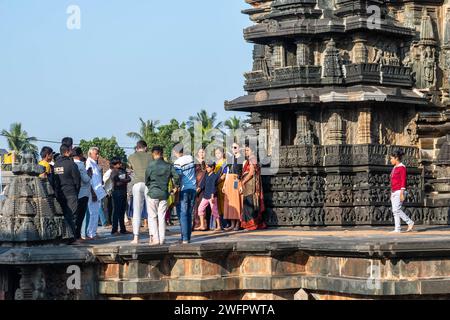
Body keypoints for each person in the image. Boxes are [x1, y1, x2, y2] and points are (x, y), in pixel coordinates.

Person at [144, 146, 179, 245]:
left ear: (153, 154)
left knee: (152, 217)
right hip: (164, 194)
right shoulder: (168, 166)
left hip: (153, 193)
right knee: (162, 217)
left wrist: (151, 187)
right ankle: (162, 239)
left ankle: (155, 239)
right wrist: (175, 187)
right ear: (162, 153)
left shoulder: (150, 165)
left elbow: (146, 180)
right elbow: (176, 177)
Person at [53, 144, 81, 241]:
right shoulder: (72, 164)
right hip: (71, 193)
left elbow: (54, 181)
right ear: (67, 151)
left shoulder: (55, 165)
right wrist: (76, 192)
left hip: (60, 194)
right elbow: (77, 181)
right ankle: (71, 238)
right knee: (72, 216)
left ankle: (63, 237)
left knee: (63, 216)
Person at [128, 141, 153, 244]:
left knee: (137, 211)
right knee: (151, 212)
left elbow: (131, 168)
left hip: (137, 184)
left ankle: (136, 238)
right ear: (145, 148)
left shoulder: (131, 157)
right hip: (148, 184)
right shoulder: (150, 157)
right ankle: (152, 237)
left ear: (137, 147)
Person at [240, 145, 267, 231]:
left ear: (253, 151)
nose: (246, 152)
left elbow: (251, 172)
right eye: (245, 150)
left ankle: (252, 225)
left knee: (250, 203)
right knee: (248, 204)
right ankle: (250, 224)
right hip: (248, 185)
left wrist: (243, 181)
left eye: (247, 150)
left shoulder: (252, 159)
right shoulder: (249, 159)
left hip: (251, 185)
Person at [174, 145, 197, 244]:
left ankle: (185, 239)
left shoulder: (177, 162)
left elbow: (177, 177)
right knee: (189, 213)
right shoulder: (191, 158)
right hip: (193, 188)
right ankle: (187, 237)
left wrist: (175, 187)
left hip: (184, 190)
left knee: (183, 214)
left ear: (175, 151)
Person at [390, 150, 414, 233]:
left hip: (399, 191)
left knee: (397, 209)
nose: (391, 160)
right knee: (395, 211)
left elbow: (403, 180)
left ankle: (409, 222)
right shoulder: (394, 167)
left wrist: (402, 193)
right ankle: (397, 228)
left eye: (392, 158)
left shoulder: (402, 167)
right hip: (394, 191)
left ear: (396, 158)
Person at [85, 147, 107, 239]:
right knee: (93, 213)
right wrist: (92, 192)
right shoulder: (89, 163)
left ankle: (93, 232)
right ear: (90, 154)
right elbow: (88, 179)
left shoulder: (94, 164)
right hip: (92, 192)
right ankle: (90, 233)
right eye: (96, 154)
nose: (97, 156)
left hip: (97, 191)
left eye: (98, 154)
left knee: (95, 213)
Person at [222, 143, 244, 231]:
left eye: (235, 147)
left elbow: (242, 173)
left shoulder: (242, 159)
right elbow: (227, 172)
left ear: (239, 148)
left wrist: (241, 184)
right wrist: (224, 184)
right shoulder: (230, 159)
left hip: (236, 180)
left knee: (236, 202)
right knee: (230, 202)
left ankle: (237, 224)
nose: (233, 149)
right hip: (229, 180)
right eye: (232, 147)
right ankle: (232, 224)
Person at [72, 147, 91, 240]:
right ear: (80, 155)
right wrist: (89, 174)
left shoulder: (71, 164)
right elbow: (86, 179)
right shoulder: (80, 165)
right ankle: (78, 236)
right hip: (83, 193)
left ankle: (76, 236)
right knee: (80, 216)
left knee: (75, 216)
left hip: (74, 193)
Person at [197, 161, 221, 231]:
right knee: (200, 209)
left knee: (214, 211)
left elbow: (214, 186)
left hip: (212, 196)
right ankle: (202, 225)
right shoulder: (206, 175)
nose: (206, 168)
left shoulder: (215, 175)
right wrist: (198, 189)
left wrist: (212, 196)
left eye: (208, 167)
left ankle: (219, 226)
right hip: (205, 196)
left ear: (212, 167)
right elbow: (202, 184)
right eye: (206, 167)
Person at [110, 157, 131, 235]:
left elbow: (129, 179)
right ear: (114, 164)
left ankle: (123, 229)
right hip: (117, 192)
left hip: (123, 192)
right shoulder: (113, 172)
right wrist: (122, 181)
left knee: (122, 211)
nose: (120, 164)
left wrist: (121, 180)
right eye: (118, 163)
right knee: (116, 211)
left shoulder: (122, 170)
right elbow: (115, 182)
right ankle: (114, 230)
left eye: (120, 163)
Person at [212, 147, 229, 230]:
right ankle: (219, 224)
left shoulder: (225, 162)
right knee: (217, 205)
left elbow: (224, 175)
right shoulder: (215, 163)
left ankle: (226, 223)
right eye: (216, 153)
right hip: (216, 187)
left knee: (224, 204)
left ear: (223, 153)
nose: (217, 155)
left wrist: (216, 181)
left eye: (219, 153)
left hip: (222, 185)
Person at [193, 148, 207, 230]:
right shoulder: (195, 162)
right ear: (197, 153)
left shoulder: (208, 162)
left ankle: (205, 224)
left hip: (205, 186)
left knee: (205, 206)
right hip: (196, 185)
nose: (202, 153)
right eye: (200, 152)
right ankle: (197, 224)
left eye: (203, 152)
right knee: (197, 205)